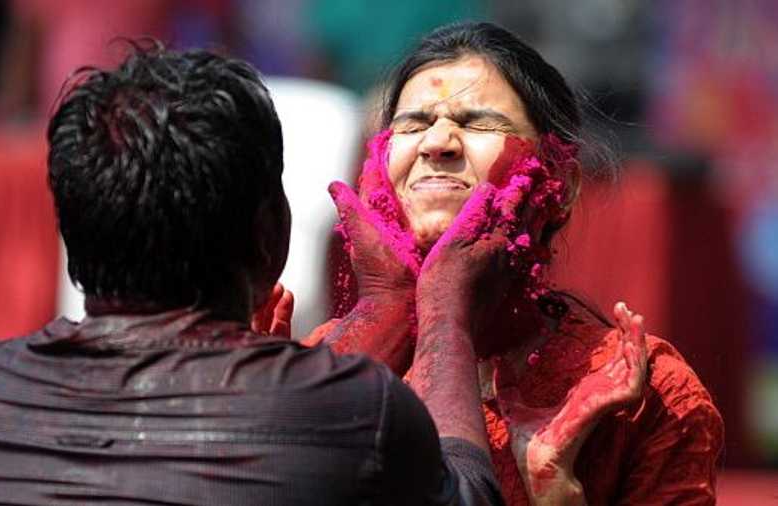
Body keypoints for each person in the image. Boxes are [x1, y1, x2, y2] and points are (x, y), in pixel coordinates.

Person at [0, 44, 506, 505]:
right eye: (414, 123)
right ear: (272, 232)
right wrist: (446, 313)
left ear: (74, 235)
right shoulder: (348, 410)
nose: (438, 145)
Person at [304, 22, 723, 505]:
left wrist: (556, 492)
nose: (436, 143)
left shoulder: (643, 393)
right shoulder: (330, 364)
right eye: (413, 124)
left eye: (479, 123)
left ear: (561, 183)